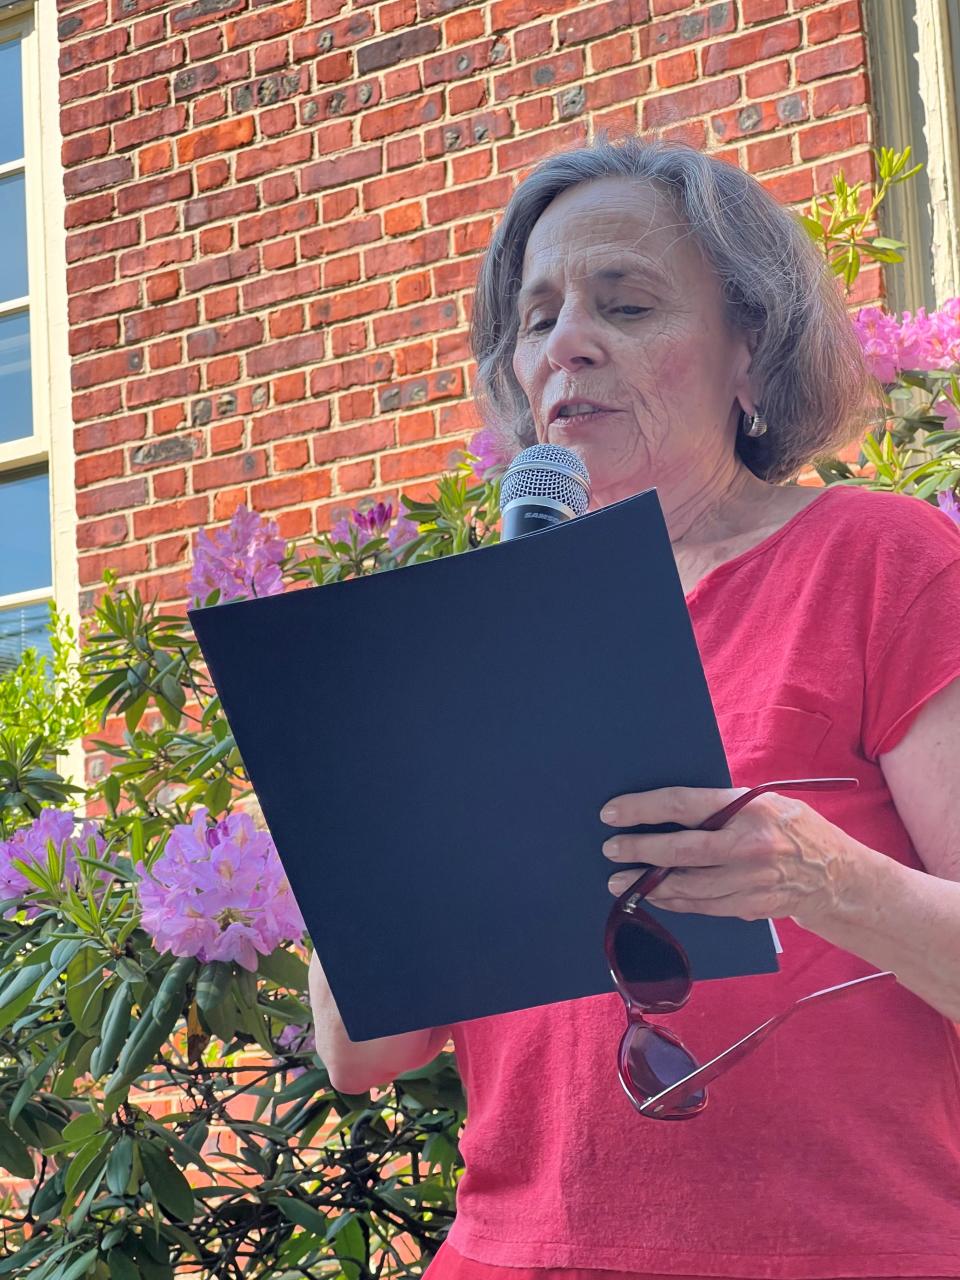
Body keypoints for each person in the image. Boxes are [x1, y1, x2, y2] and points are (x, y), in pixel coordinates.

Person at [308, 135, 960, 1279]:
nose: (568, 343)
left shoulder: (881, 562)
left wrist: (830, 878)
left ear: (750, 353)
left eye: (629, 302)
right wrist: (374, 803)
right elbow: (360, 1048)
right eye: (537, 316)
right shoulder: (463, 646)